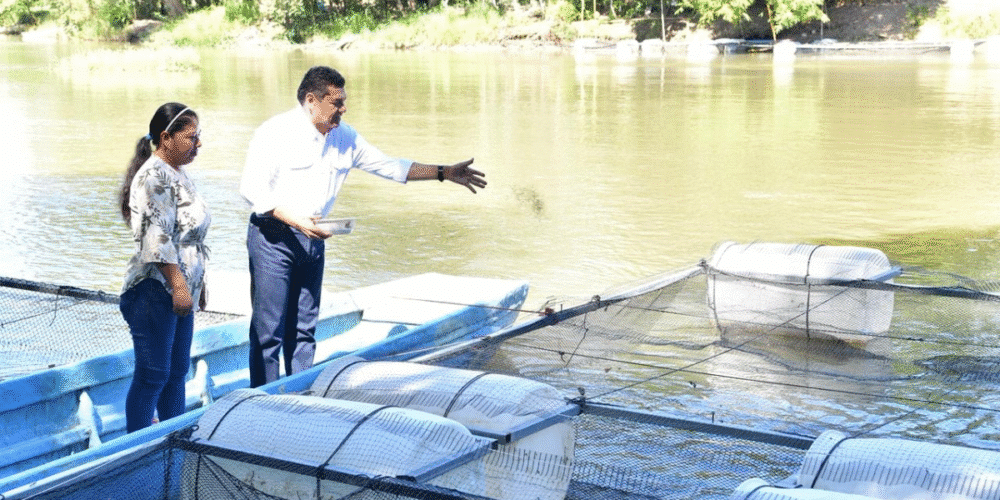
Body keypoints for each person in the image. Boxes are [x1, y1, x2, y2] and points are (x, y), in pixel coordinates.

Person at [240, 66, 487, 388]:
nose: (343, 109)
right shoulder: (275, 132)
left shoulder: (345, 136)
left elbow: (390, 165)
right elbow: (252, 190)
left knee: (304, 328)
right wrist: (297, 220)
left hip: (314, 239)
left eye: (344, 102)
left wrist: (443, 172)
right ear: (312, 100)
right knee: (268, 330)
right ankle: (263, 401)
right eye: (337, 102)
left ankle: (298, 395)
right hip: (273, 238)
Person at [117, 103, 210, 432]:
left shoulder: (179, 173)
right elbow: (156, 240)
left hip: (180, 289)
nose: (198, 143)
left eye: (199, 137)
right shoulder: (153, 177)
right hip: (154, 291)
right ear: (166, 137)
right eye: (192, 137)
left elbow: (190, 236)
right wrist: (180, 285)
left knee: (176, 371)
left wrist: (199, 285)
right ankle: (139, 446)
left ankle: (173, 437)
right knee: (153, 374)